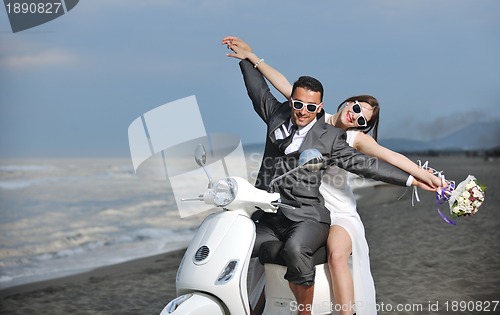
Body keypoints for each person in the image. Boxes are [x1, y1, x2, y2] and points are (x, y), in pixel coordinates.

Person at [222, 37, 443, 315]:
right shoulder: (311, 113)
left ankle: (342, 312)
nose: (356, 117)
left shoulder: (351, 139)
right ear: (347, 102)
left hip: (333, 208)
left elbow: (379, 162)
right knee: (254, 255)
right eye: (356, 109)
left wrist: (417, 177)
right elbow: (283, 87)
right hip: (295, 200)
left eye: (363, 120)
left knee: (333, 255)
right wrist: (251, 57)